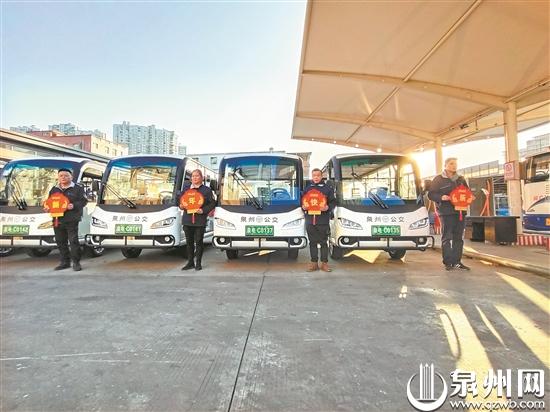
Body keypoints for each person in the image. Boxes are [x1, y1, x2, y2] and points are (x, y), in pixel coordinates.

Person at [428, 157, 472, 271]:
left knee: (459, 238)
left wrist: (470, 197)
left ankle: (457, 262)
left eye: (455, 164)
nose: (454, 166)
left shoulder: (461, 179)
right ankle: (448, 262)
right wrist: (441, 197)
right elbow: (431, 194)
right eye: (451, 164)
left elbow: (467, 192)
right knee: (447, 237)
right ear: (445, 165)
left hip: (460, 212)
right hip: (446, 212)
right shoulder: (438, 179)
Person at [43, 168, 88, 271]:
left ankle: (76, 262)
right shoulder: (54, 189)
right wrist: (47, 208)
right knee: (60, 241)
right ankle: (65, 262)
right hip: (57, 219)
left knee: (73, 241)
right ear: (58, 177)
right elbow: (49, 202)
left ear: (71, 177)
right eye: (61, 176)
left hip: (71, 218)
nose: (63, 177)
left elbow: (84, 201)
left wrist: (74, 205)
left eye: (66, 175)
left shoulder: (77, 188)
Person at [179, 169, 216, 271]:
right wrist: (181, 206)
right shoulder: (186, 189)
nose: (194, 178)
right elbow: (180, 201)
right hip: (187, 219)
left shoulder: (206, 190)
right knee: (189, 243)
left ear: (201, 178)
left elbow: (212, 203)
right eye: (193, 176)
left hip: (199, 220)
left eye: (197, 176)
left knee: (199, 242)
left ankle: (198, 263)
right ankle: (190, 262)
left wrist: (203, 210)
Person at [302, 168, 336, 272]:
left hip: (322, 220)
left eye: (318, 175)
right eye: (314, 175)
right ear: (312, 177)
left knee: (323, 242)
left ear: (321, 176)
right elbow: (302, 202)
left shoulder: (327, 189)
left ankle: (324, 263)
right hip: (310, 220)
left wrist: (327, 208)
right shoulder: (307, 189)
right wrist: (303, 207)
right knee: (312, 242)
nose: (316, 177)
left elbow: (333, 202)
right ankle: (314, 263)